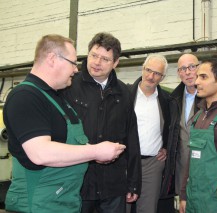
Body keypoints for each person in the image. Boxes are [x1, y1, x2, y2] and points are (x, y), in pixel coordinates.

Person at [4, 34, 125, 213]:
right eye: (73, 63)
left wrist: (96, 153)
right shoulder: (25, 97)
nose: (76, 70)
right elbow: (40, 153)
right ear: (52, 59)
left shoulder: (57, 98)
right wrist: (96, 151)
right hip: (37, 205)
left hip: (64, 203)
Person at [62, 32, 141, 213]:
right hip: (78, 182)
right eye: (94, 56)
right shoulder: (69, 86)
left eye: (105, 59)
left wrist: (134, 183)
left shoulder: (124, 92)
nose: (97, 62)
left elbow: (131, 138)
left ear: (115, 63)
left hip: (113, 184)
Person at [171, 54, 217, 203]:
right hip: (194, 191)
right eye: (183, 69)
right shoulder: (197, 114)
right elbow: (189, 158)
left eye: (203, 77)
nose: (195, 80)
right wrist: (183, 195)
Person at [127, 54, 175, 213]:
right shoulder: (126, 95)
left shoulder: (167, 100)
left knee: (148, 209)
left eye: (157, 73)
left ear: (163, 77)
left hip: (153, 164)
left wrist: (167, 147)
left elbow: (172, 127)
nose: (151, 76)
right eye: (148, 70)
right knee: (121, 207)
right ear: (143, 68)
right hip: (126, 162)